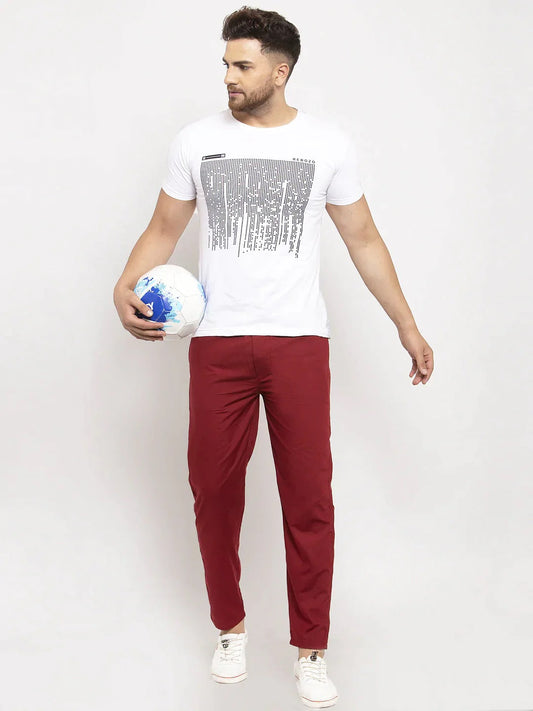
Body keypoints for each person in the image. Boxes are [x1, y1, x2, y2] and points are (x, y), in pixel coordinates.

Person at [113, 6, 434, 707]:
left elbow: (364, 239)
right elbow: (163, 226)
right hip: (217, 345)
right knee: (212, 492)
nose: (228, 76)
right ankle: (229, 627)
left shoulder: (325, 144)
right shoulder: (197, 141)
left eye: (242, 65)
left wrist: (405, 325)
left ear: (279, 71)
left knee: (309, 500)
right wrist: (122, 286)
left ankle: (311, 647)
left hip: (298, 344)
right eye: (225, 64)